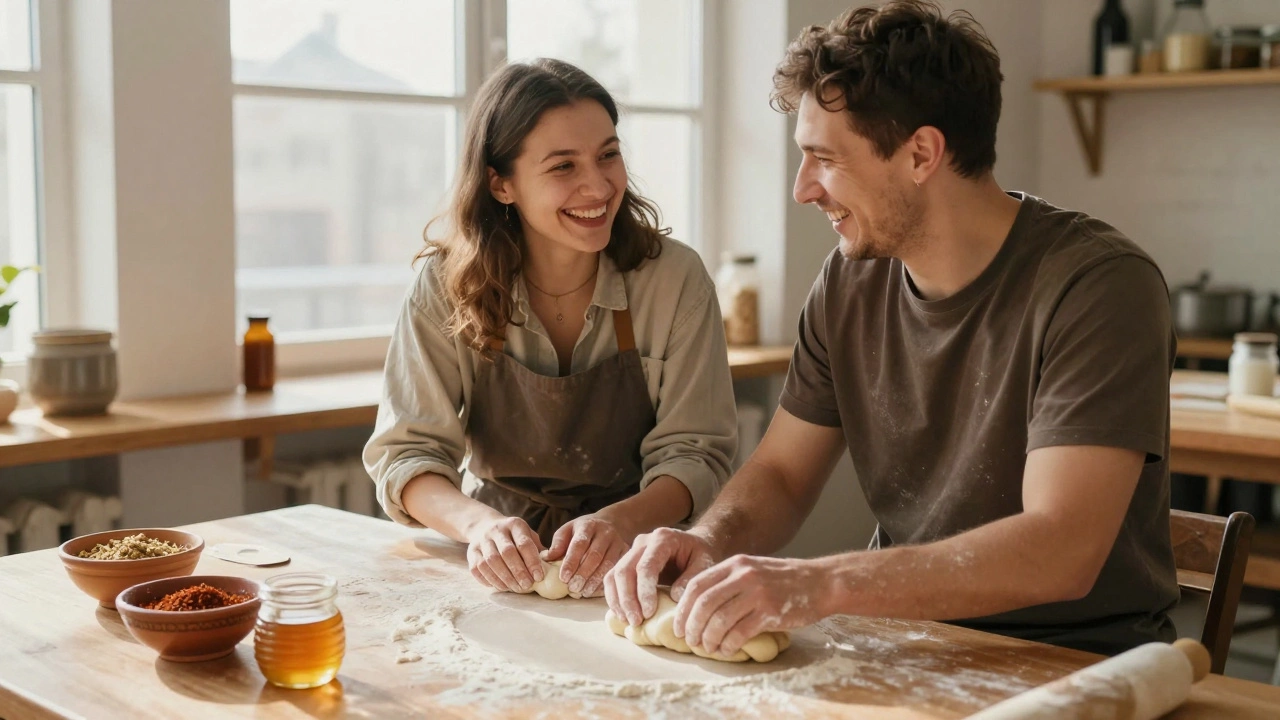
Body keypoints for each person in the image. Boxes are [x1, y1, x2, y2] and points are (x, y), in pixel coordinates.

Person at [605, 0, 1178, 659]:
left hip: (1076, 662)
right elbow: (784, 477)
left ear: (921, 154)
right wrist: (708, 540)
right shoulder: (848, 283)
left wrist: (819, 583)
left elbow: (1061, 547)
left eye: (823, 158)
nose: (802, 189)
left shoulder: (1098, 286)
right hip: (903, 644)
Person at [365, 59, 737, 600]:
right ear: (502, 184)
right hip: (495, 565)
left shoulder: (674, 278)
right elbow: (407, 456)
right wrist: (480, 528)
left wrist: (619, 522)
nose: (598, 185)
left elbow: (696, 454)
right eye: (563, 166)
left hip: (639, 560)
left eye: (608, 154)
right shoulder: (444, 285)